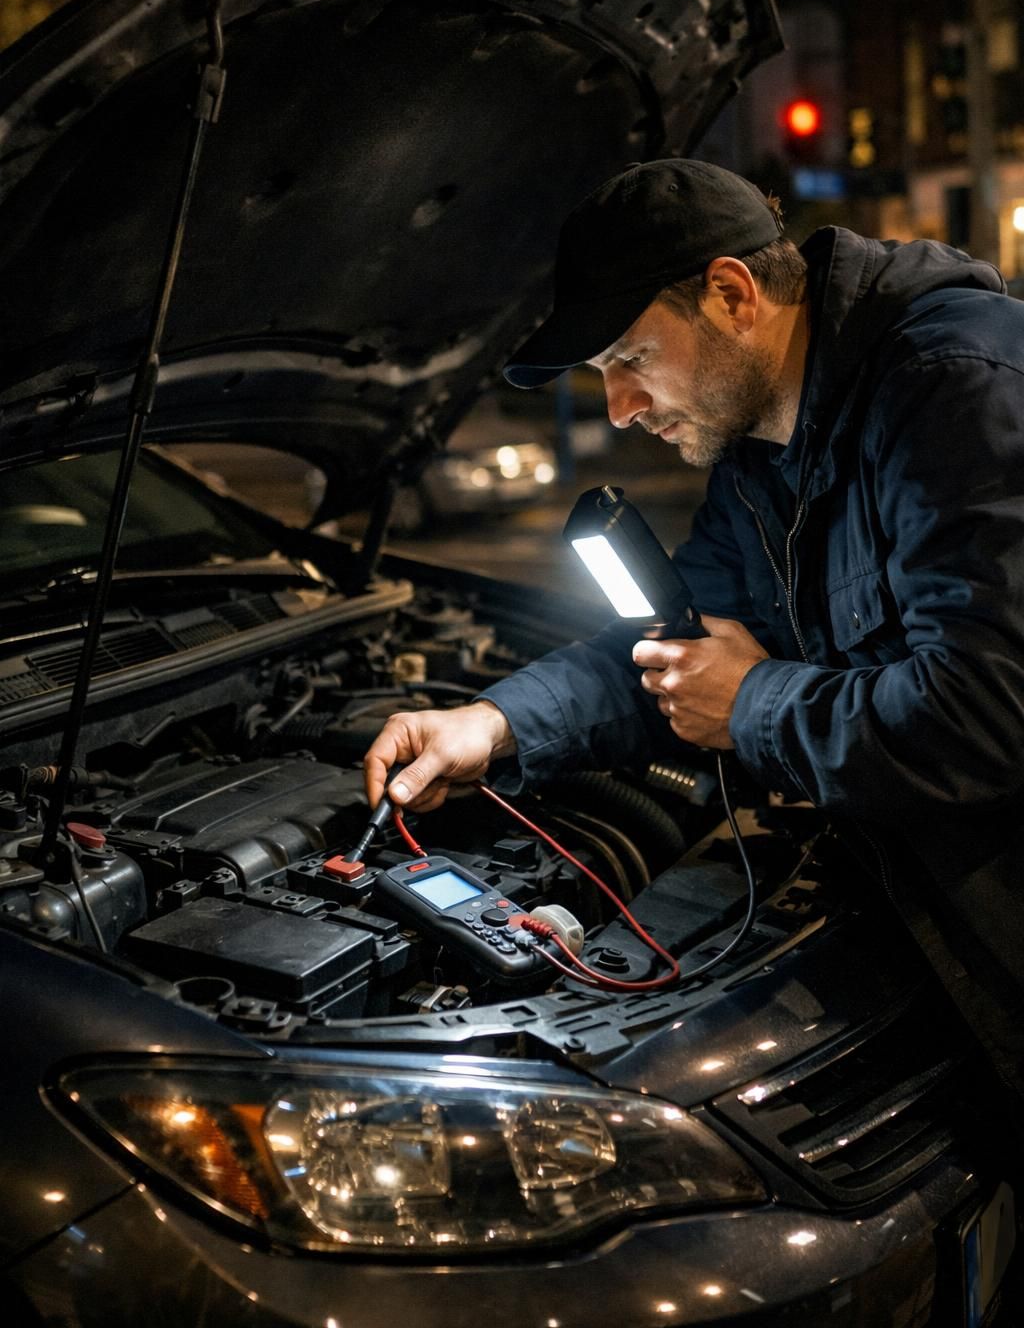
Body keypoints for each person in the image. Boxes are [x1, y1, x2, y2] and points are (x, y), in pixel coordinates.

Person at [364, 158, 1024, 1101]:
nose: (621, 409)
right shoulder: (761, 451)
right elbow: (680, 646)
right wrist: (494, 723)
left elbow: (988, 709)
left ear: (732, 295)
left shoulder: (958, 388)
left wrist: (751, 702)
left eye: (631, 360)